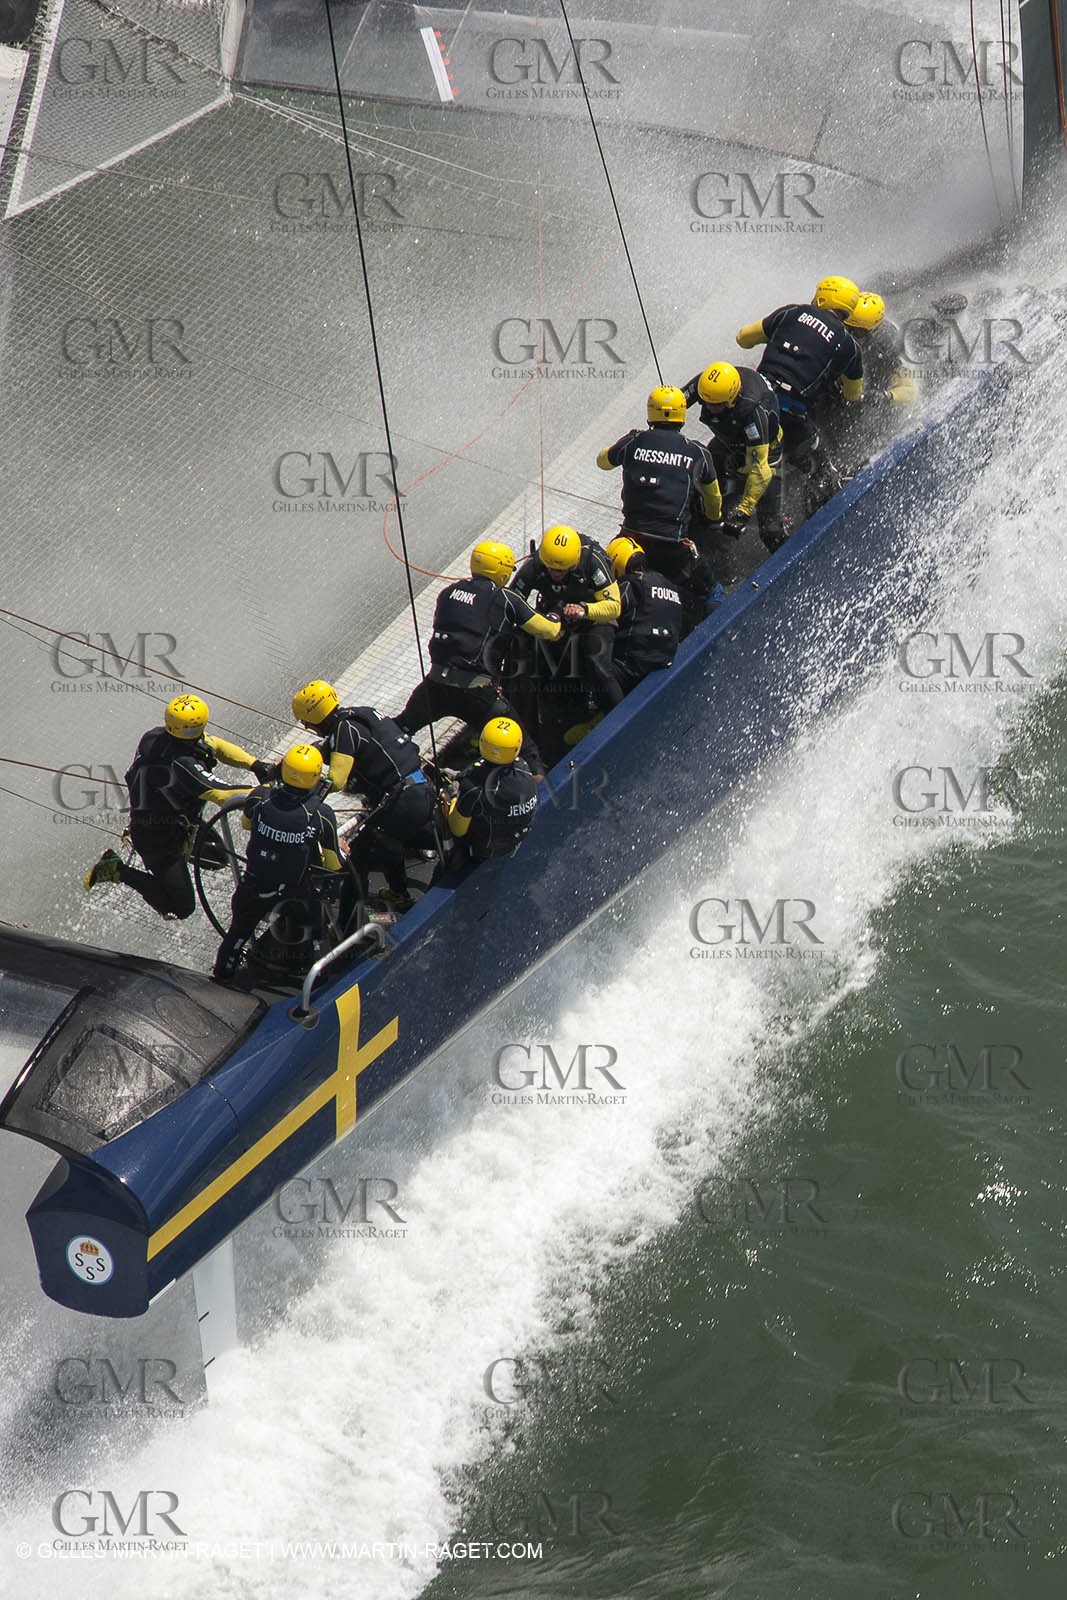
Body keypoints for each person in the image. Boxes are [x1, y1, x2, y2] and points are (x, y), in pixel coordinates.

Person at [84, 694, 271, 918]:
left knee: (219, 858)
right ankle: (115, 869)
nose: (198, 734)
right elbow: (223, 794)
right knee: (181, 907)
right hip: (157, 840)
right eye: (193, 731)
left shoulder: (156, 735)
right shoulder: (181, 765)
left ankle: (182, 852)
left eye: (200, 728)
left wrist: (255, 764)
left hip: (176, 822)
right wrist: (271, 794)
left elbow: (215, 745)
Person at [394, 539, 559, 773]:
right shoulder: (504, 598)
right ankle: (539, 787)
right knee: (524, 745)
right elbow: (548, 631)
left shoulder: (447, 592)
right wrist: (556, 615)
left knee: (399, 729)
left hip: (434, 685)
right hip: (476, 693)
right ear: (501, 570)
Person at [292, 681, 436, 912]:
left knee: (356, 861)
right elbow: (342, 746)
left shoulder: (344, 730)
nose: (309, 728)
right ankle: (398, 894)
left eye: (307, 724)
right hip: (423, 791)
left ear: (313, 720)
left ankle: (349, 931)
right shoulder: (362, 714)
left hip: (402, 804)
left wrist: (302, 796)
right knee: (389, 840)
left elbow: (336, 781)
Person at [213, 744, 343, 981]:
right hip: (294, 894)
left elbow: (246, 823)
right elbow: (335, 863)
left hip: (252, 888)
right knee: (316, 924)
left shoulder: (259, 797)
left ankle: (222, 977)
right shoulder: (321, 813)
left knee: (237, 935)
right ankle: (314, 979)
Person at [735, 275, 864, 503]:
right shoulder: (849, 346)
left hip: (750, 399)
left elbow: (743, 338)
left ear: (822, 296)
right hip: (790, 416)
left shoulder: (792, 312)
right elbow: (852, 395)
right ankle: (826, 488)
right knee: (818, 455)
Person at [596, 384, 722, 594]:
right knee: (711, 589)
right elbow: (714, 499)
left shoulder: (633, 441)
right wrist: (713, 519)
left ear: (650, 414)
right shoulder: (698, 452)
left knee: (607, 584)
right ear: (682, 416)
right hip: (673, 545)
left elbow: (602, 462)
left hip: (632, 539)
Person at [509, 525, 623, 720]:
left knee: (598, 666)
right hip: (555, 620)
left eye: (562, 571)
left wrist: (585, 610)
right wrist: (540, 623)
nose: (556, 574)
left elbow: (614, 606)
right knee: (524, 668)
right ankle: (524, 727)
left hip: (593, 617)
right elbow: (512, 602)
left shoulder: (592, 560)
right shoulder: (537, 562)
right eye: (551, 569)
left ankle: (621, 717)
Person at [679, 361, 786, 551]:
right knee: (697, 488)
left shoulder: (753, 411)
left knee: (770, 530)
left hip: (765, 452)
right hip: (729, 443)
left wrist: (742, 512)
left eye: (715, 405)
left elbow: (760, 468)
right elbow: (676, 401)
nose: (708, 408)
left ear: (731, 399)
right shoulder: (707, 386)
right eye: (705, 402)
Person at [445, 718, 538, 863]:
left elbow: (457, 829)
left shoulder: (472, 786)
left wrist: (454, 795)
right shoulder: (523, 767)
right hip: (517, 841)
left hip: (485, 853)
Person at [605, 535, 683, 694]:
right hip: (666, 660)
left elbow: (608, 611)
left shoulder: (628, 585)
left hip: (632, 666)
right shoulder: (669, 585)